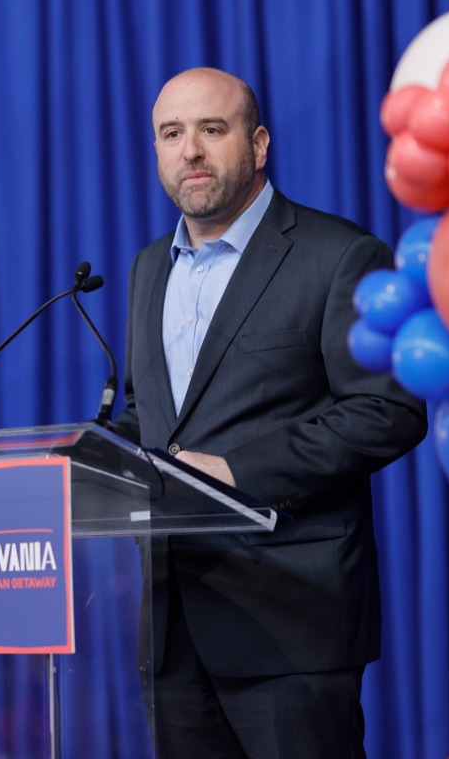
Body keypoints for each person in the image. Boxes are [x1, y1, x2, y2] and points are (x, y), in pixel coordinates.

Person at [109, 66, 428, 759]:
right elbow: (150, 416)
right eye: (172, 133)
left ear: (257, 145)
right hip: (171, 625)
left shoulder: (339, 255)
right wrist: (93, 464)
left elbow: (388, 410)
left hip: (289, 618)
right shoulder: (148, 268)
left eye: (211, 129)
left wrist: (236, 471)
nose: (191, 150)